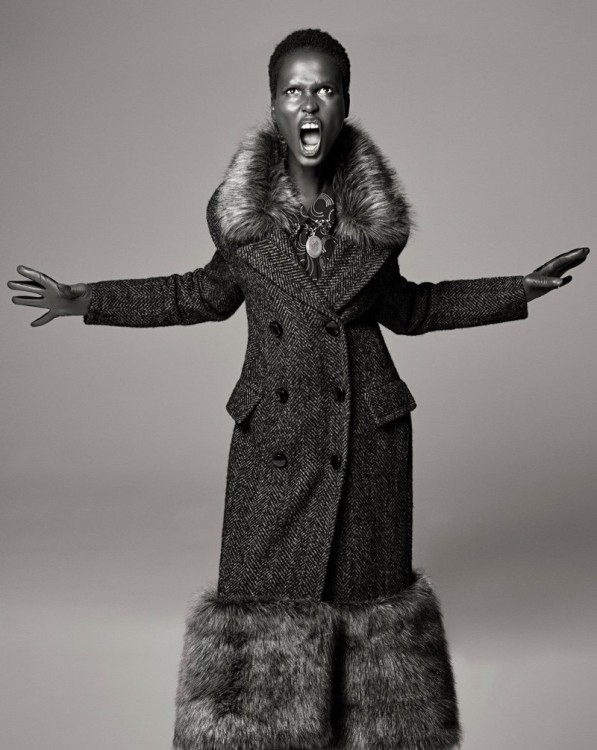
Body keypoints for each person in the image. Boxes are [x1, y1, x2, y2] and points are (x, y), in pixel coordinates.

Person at [8, 28, 589, 750]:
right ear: (274, 106)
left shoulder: (374, 223)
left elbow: (411, 309)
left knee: (367, 629)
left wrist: (516, 289)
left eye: (324, 89)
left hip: (366, 441)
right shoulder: (240, 218)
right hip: (275, 441)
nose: (309, 103)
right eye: (293, 89)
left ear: (344, 103)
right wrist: (85, 299)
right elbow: (199, 294)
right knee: (260, 623)